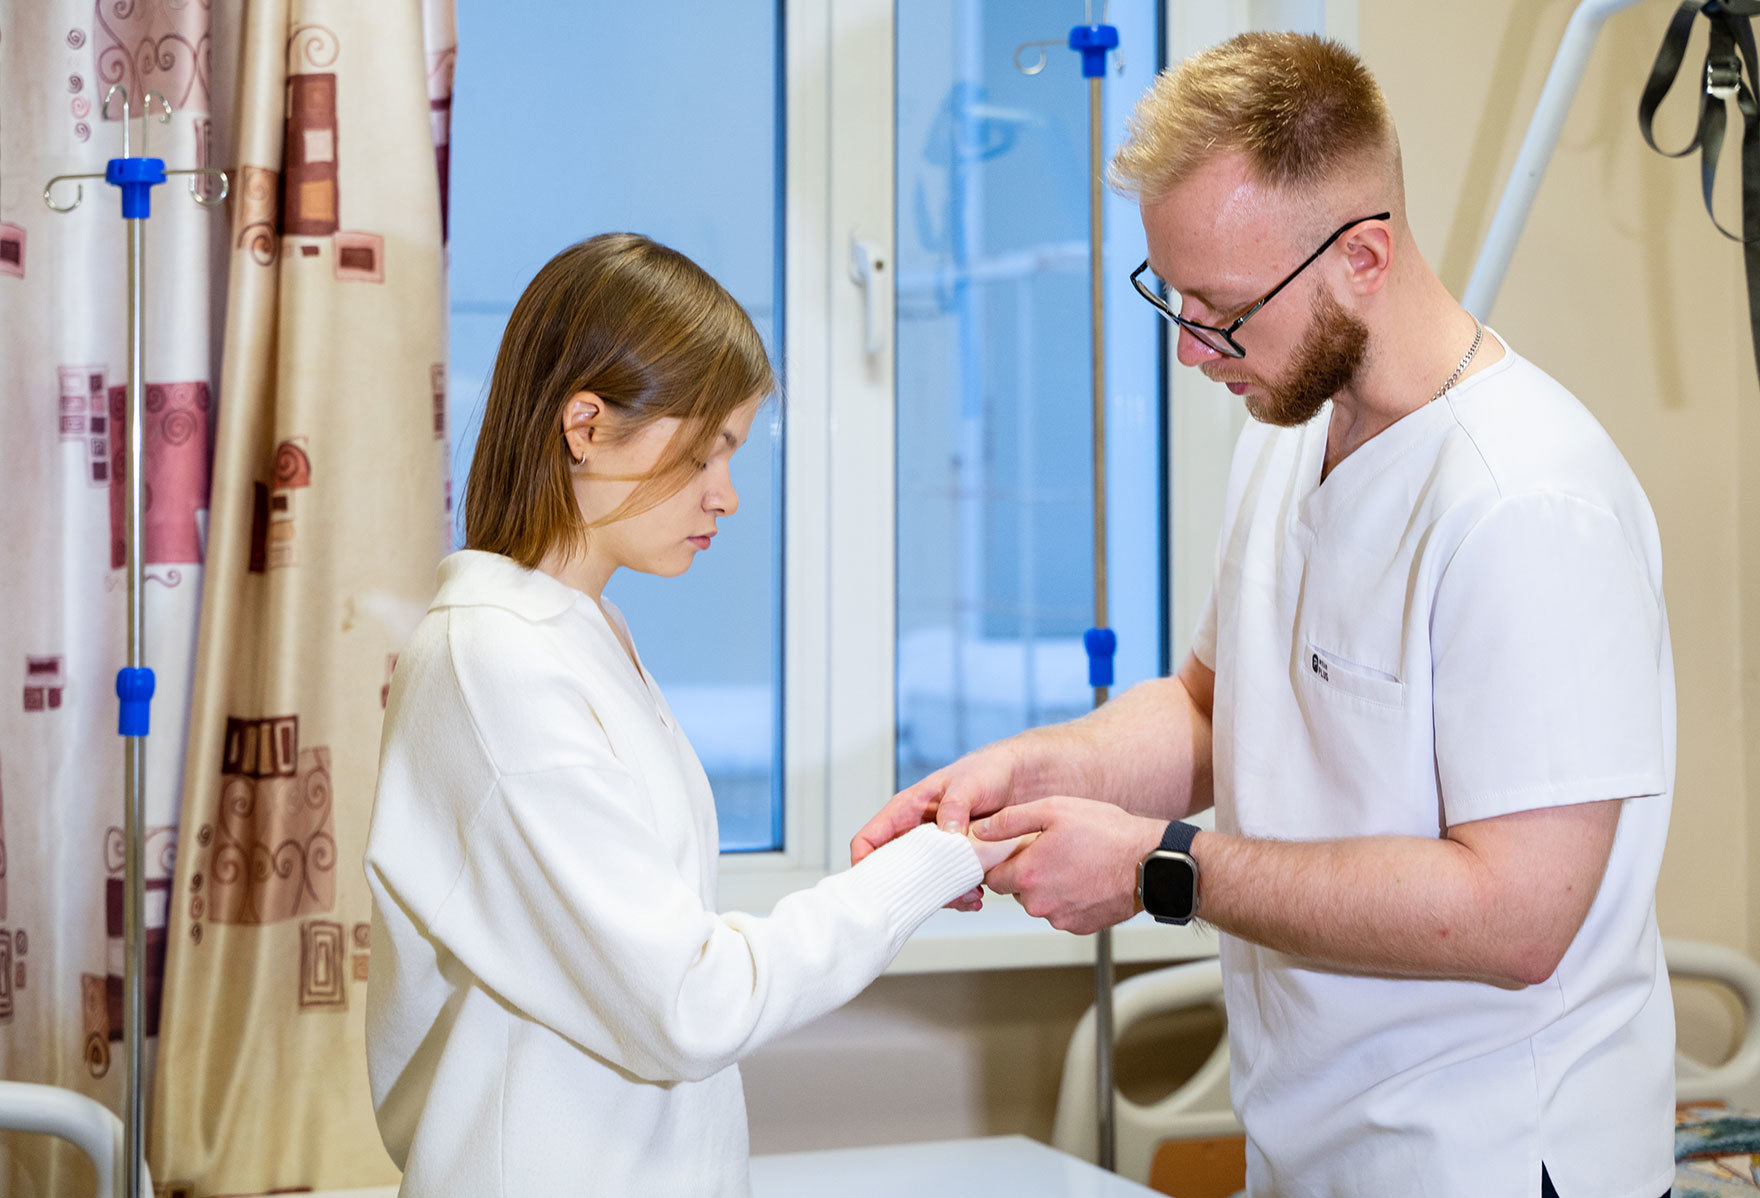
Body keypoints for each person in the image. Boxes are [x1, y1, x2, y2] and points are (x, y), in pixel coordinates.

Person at [854, 33, 1676, 1198]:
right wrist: (1034, 770)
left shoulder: (1527, 502)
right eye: (1173, 296)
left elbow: (1517, 916)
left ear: (1364, 256)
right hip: (1317, 1145)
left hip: (1490, 1158)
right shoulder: (1291, 433)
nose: (1192, 348)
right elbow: (1213, 710)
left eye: (1224, 309)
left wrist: (1160, 868)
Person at [364, 233, 1021, 1197]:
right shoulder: (493, 662)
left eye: (733, 453)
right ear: (585, 425)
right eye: (706, 450)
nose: (728, 496)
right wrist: (932, 864)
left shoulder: (584, 634)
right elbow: (689, 1001)